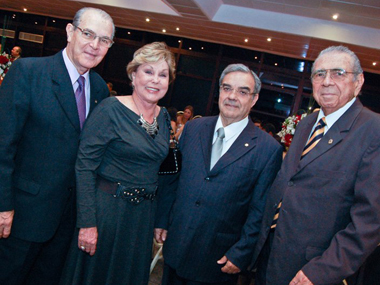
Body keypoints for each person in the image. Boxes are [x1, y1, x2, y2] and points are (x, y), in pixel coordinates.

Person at [0, 7, 114, 285]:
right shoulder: (28, 72)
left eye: (104, 40)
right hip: (21, 216)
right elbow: (3, 144)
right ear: (70, 32)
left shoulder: (100, 89)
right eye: (88, 34)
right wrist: (3, 205)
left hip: (67, 222)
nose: (94, 45)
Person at [253, 46, 380, 285]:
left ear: (359, 81)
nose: (327, 81)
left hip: (314, 267)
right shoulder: (306, 123)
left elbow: (370, 220)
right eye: (319, 74)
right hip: (270, 254)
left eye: (338, 73)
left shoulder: (373, 130)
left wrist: (323, 270)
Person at [155, 63, 283, 285]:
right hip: (177, 244)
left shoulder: (268, 149)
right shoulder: (193, 129)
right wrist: (162, 220)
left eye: (243, 91)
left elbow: (260, 210)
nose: (232, 96)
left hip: (218, 259)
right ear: (219, 92)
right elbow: (172, 179)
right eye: (227, 88)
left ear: (254, 99)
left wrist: (241, 253)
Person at [59, 41, 176, 285]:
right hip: (106, 215)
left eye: (163, 74)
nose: (155, 80)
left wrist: (160, 220)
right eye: (148, 72)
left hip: (141, 219)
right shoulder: (110, 109)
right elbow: (85, 167)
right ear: (133, 75)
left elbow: (163, 173)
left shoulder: (164, 117)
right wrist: (88, 223)